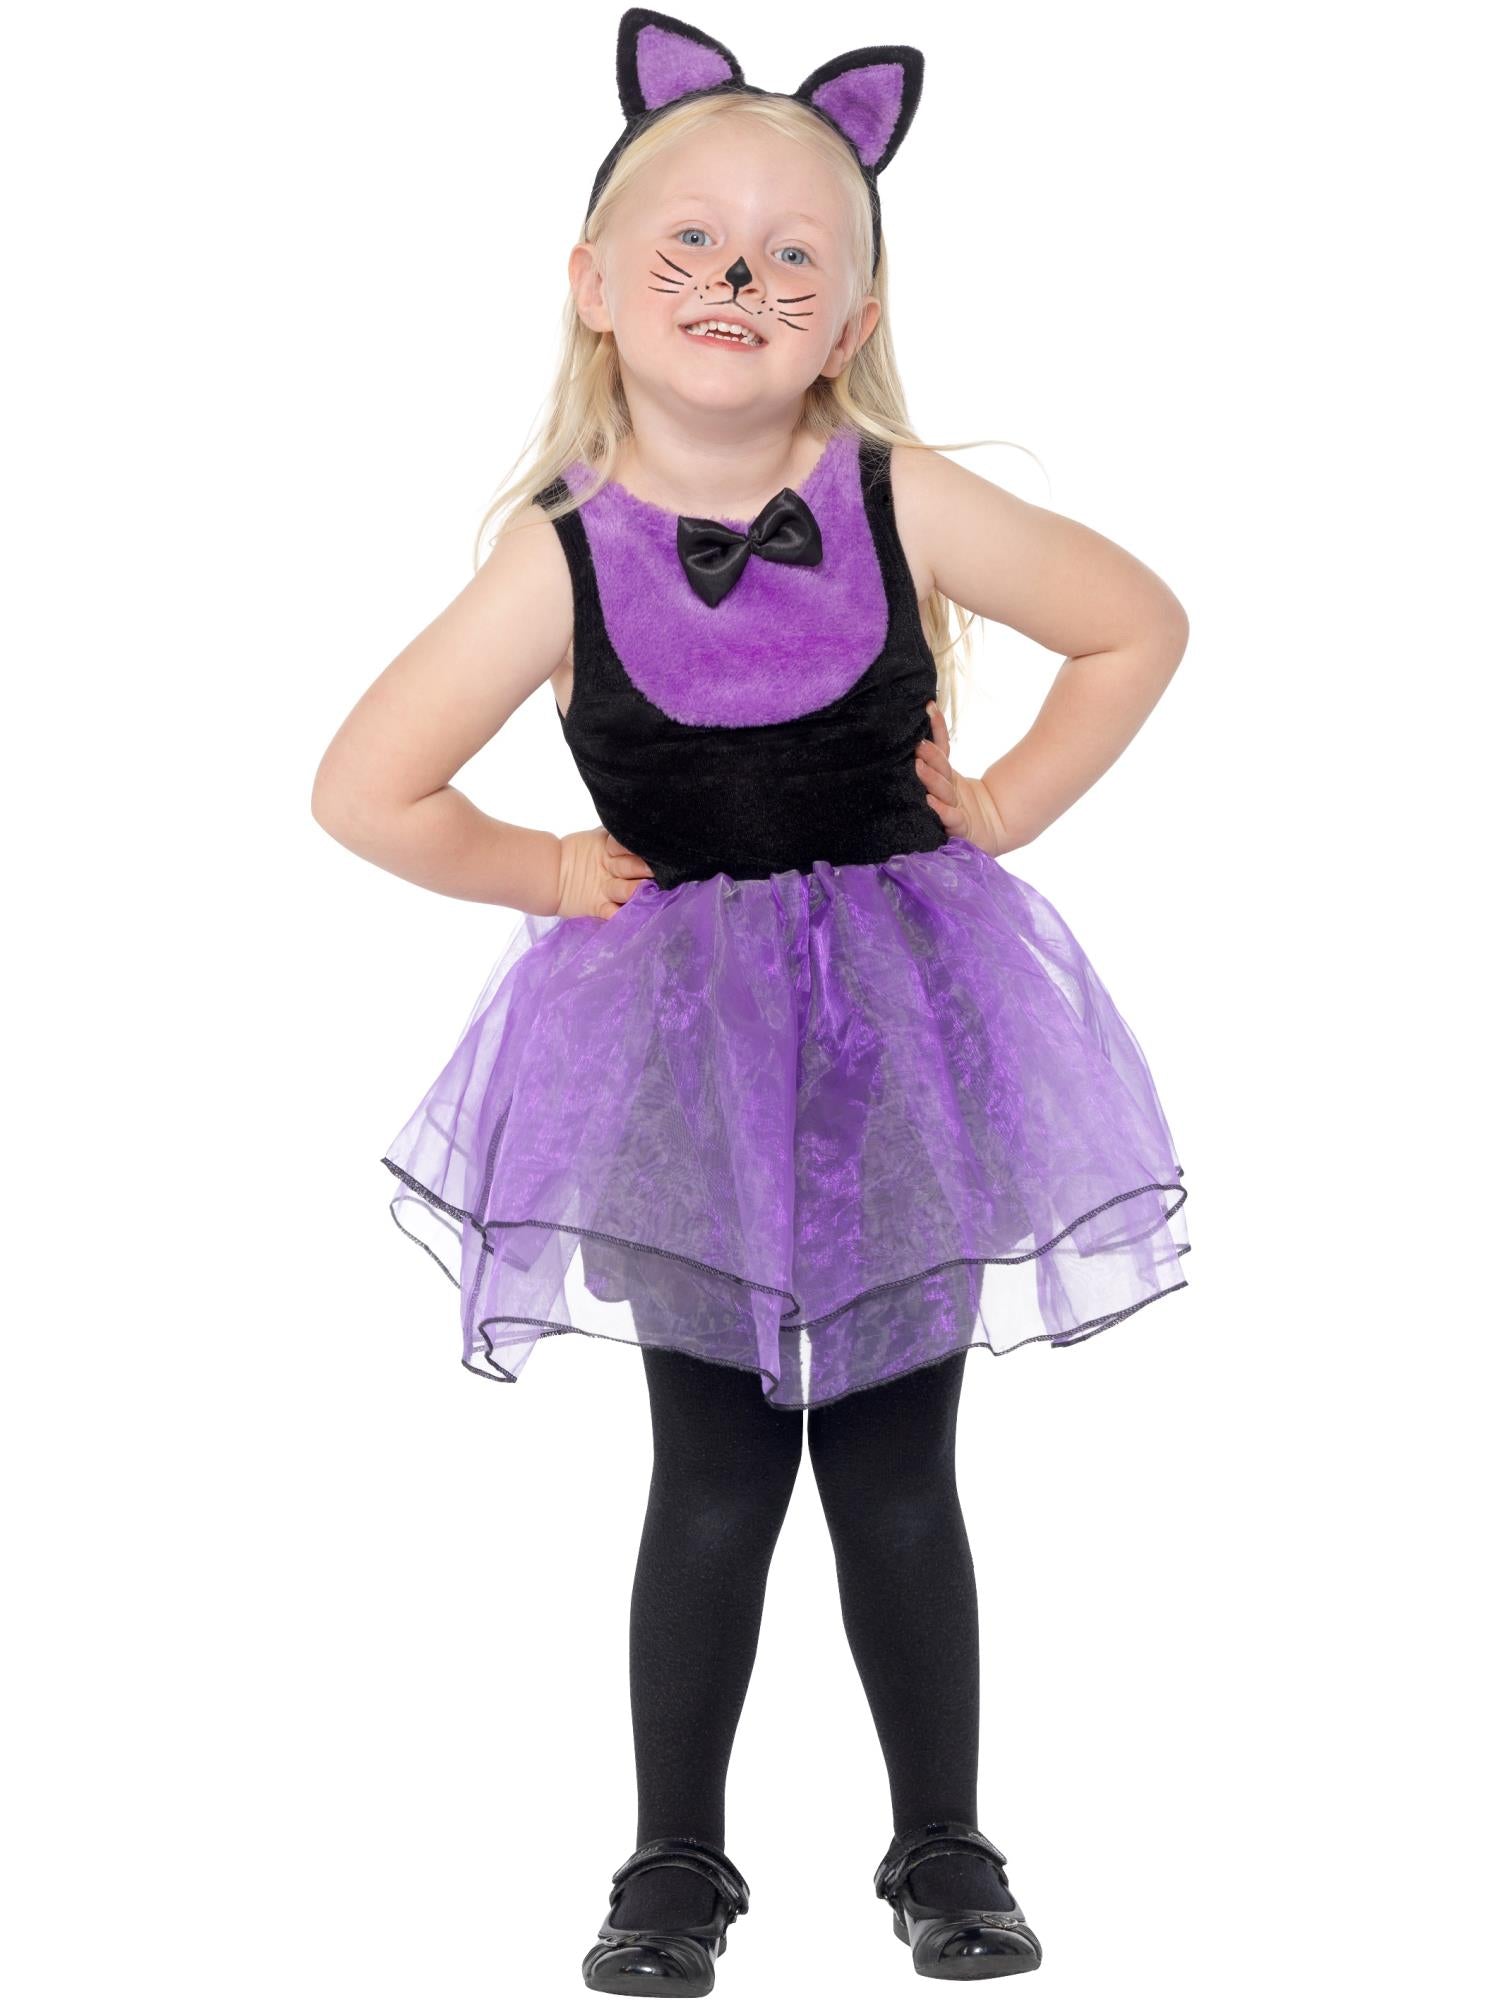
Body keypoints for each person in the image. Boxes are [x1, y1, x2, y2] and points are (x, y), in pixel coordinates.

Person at [311, 10, 1191, 1988]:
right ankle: (674, 1863)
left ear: (853, 313)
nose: (741, 277)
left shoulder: (894, 493)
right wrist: (545, 869)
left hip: (905, 1044)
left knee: (896, 1472)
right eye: (693, 241)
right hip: (676, 1071)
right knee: (713, 1475)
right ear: (597, 285)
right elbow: (365, 787)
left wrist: (1005, 804)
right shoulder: (557, 556)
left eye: (796, 252)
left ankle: (943, 1844)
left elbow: (1136, 623)